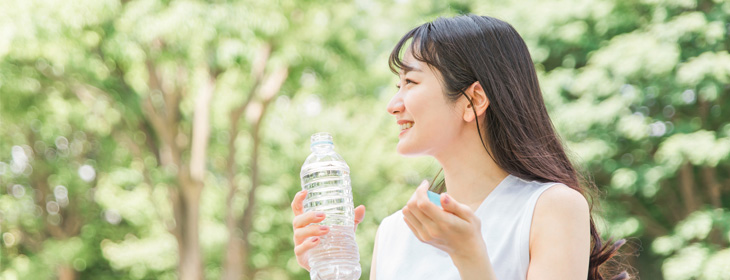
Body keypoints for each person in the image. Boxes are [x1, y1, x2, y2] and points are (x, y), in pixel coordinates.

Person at [291, 14, 627, 280]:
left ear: (474, 99)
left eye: (410, 82)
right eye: (398, 85)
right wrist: (328, 267)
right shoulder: (396, 231)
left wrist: (469, 257)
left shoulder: (552, 208)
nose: (393, 104)